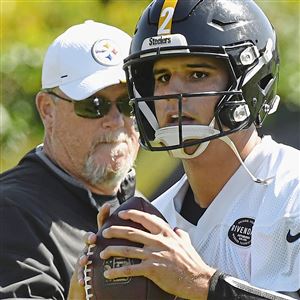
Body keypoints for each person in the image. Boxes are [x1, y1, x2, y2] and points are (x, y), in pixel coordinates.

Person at [72, 1, 300, 299]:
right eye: (163, 78)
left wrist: (205, 285)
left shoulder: (292, 192)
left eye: (197, 74)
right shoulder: (157, 219)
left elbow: (201, 284)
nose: (172, 94)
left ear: (250, 80)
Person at [0, 20, 141, 298]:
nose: (116, 120)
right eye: (94, 105)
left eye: (129, 103)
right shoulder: (10, 213)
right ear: (47, 110)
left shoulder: (149, 208)